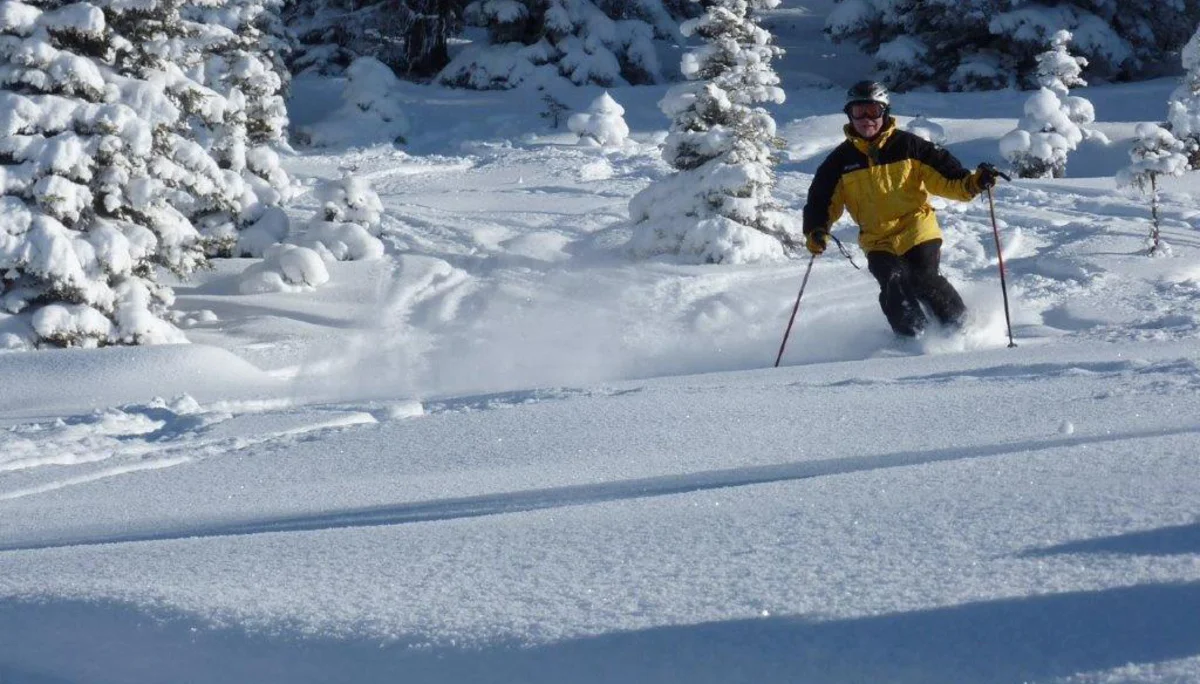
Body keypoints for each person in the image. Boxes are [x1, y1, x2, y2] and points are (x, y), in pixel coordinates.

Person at [802, 80, 1001, 337]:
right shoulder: (838, 162)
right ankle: (913, 341)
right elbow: (821, 201)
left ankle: (963, 329)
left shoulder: (909, 147)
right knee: (893, 282)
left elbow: (949, 179)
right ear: (849, 115)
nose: (866, 119)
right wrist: (816, 230)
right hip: (877, 239)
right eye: (858, 112)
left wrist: (974, 182)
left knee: (923, 278)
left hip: (916, 228)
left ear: (885, 111)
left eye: (872, 110)